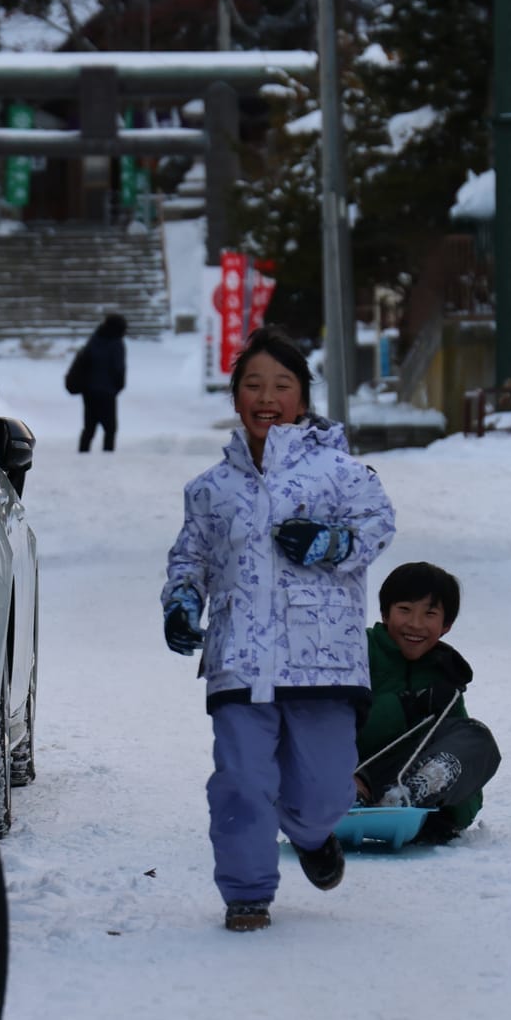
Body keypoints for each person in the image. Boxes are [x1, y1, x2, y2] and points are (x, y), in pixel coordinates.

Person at [161, 325, 395, 930]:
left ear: (302, 398)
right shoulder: (210, 491)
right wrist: (182, 602)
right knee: (240, 781)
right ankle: (246, 892)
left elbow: (376, 526)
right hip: (239, 660)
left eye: (282, 385)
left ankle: (314, 836)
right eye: (253, 384)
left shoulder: (343, 473)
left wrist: (331, 542)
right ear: (237, 398)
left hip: (325, 662)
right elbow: (191, 558)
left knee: (322, 794)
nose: (267, 396)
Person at [356, 561, 500, 843]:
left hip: (404, 774)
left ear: (446, 625)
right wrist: (410, 706)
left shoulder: (443, 672)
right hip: (351, 770)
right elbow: (340, 725)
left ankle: (410, 796)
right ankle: (357, 798)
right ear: (385, 613)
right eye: (405, 610)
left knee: (476, 736)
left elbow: (465, 759)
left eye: (430, 614)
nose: (415, 624)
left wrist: (453, 816)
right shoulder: (360, 652)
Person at [66, 311, 127, 451]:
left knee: (89, 427)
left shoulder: (95, 338)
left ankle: (82, 453)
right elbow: (118, 368)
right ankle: (108, 455)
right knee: (110, 428)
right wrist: (118, 386)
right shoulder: (117, 343)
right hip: (107, 392)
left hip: (89, 391)